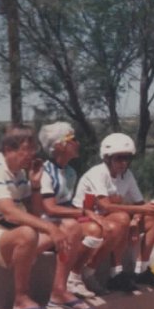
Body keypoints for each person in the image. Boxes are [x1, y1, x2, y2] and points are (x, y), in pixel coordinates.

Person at [0, 125, 84, 309]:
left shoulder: (19, 175)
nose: (31, 154)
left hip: (2, 234)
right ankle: (21, 298)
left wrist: (35, 185)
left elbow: (34, 214)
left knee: (71, 228)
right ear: (9, 150)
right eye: (27, 149)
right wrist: (50, 228)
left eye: (34, 149)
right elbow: (11, 213)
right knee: (27, 233)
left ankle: (59, 291)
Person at [72, 132, 154, 292]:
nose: (123, 163)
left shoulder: (127, 175)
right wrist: (138, 211)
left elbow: (139, 202)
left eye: (127, 158)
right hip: (86, 219)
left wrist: (136, 220)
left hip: (111, 220)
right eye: (118, 158)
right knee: (122, 218)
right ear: (107, 158)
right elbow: (105, 206)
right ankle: (109, 272)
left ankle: (142, 270)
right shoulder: (99, 173)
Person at [37, 122, 125, 298]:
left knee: (112, 228)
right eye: (73, 139)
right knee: (93, 230)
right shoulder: (45, 172)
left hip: (66, 221)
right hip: (48, 224)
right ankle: (73, 278)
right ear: (59, 146)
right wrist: (85, 213)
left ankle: (85, 273)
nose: (77, 143)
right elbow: (49, 208)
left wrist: (92, 212)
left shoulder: (70, 172)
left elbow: (70, 205)